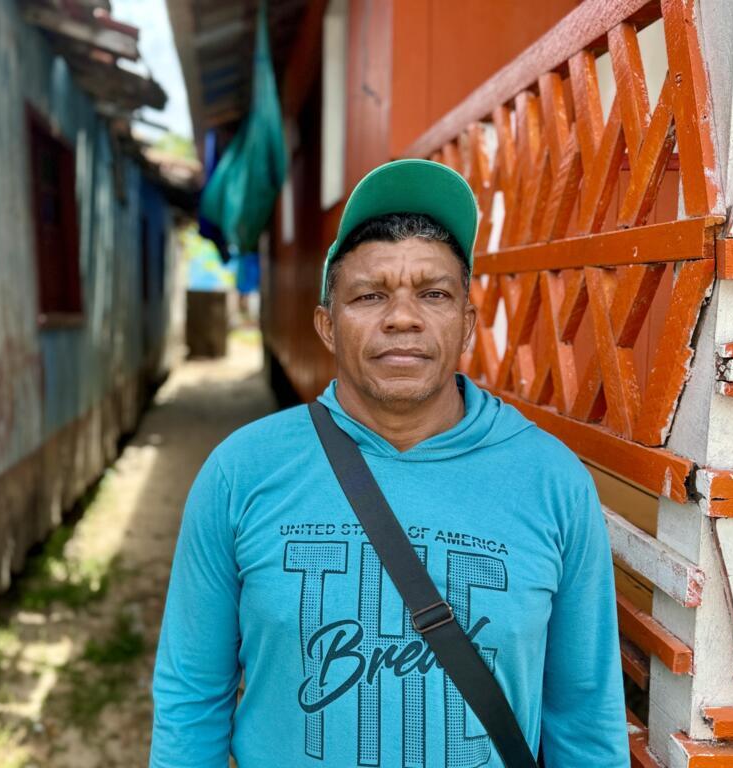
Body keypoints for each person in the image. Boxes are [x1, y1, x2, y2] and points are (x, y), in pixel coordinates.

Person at [150, 159, 629, 767]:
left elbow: (586, 719)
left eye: (433, 294)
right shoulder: (240, 473)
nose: (402, 317)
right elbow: (192, 697)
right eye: (369, 295)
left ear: (467, 325)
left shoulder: (553, 482)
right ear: (327, 325)